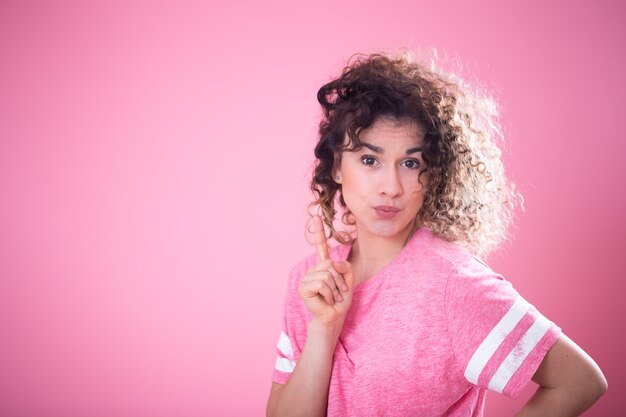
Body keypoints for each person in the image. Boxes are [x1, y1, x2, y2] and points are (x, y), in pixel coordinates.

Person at [266, 52, 607, 417]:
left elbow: (581, 381)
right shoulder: (309, 282)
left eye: (411, 163)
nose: (391, 187)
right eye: (370, 160)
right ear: (336, 167)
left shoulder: (454, 284)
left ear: (432, 177)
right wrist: (325, 327)